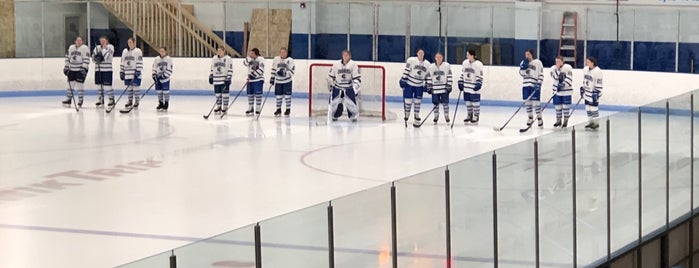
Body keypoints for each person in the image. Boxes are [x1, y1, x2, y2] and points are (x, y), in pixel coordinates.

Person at [327, 50, 361, 122]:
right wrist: (330, 86)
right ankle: (334, 116)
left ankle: (353, 117)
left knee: (351, 105)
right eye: (344, 55)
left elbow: (357, 79)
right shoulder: (336, 64)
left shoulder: (353, 64)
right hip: (337, 87)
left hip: (348, 88)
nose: (345, 57)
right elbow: (330, 77)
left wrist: (354, 89)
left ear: (350, 56)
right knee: (333, 103)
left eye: (347, 55)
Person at [399, 48, 430, 126]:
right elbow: (406, 70)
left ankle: (416, 115)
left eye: (422, 53)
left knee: (418, 101)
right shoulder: (411, 60)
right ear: (417, 53)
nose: (421, 54)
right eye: (419, 53)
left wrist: (428, 84)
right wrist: (403, 79)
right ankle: (407, 114)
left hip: (419, 85)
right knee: (408, 100)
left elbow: (428, 75)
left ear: (424, 54)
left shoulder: (427, 64)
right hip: (410, 84)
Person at [62, 36, 90, 107]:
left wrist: (84, 68)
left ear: (82, 41)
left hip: (80, 69)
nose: (79, 42)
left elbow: (86, 59)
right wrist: (66, 67)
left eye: (80, 40)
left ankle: (80, 100)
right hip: (72, 69)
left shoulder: (85, 48)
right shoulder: (71, 47)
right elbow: (67, 57)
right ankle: (68, 99)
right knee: (70, 85)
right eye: (77, 40)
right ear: (75, 41)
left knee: (80, 85)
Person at [519, 49, 544, 128]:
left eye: (528, 54)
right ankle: (530, 118)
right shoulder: (523, 62)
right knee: (528, 103)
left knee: (536, 103)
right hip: (525, 85)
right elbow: (521, 74)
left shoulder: (538, 62)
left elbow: (541, 74)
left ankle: (539, 119)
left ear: (532, 55)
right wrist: (523, 68)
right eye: (526, 54)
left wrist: (539, 83)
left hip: (534, 85)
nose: (527, 56)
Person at [458, 49, 484, 124]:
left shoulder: (478, 64)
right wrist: (460, 81)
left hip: (474, 87)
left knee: (475, 102)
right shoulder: (465, 63)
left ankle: (476, 116)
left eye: (468, 55)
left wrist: (479, 83)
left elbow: (480, 75)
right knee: (468, 102)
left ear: (472, 56)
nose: (466, 56)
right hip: (466, 86)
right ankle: (469, 115)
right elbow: (463, 73)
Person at [425, 52, 453, 124]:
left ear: (442, 58)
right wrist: (429, 87)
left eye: (440, 57)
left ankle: (446, 116)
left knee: (445, 103)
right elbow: (428, 77)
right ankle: (436, 116)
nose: (439, 59)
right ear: (435, 58)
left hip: (444, 89)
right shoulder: (431, 67)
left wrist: (449, 85)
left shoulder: (447, 66)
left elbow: (449, 76)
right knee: (435, 103)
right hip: (435, 89)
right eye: (437, 57)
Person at [270, 47, 295, 116]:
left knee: (287, 96)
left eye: (284, 52)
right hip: (278, 82)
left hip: (287, 82)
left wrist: (284, 74)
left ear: (286, 53)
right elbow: (274, 69)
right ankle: (278, 109)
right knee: (278, 96)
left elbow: (292, 72)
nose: (282, 54)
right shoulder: (276, 59)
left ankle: (288, 109)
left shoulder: (290, 60)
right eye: (281, 52)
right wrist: (272, 78)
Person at [550, 56, 573, 128]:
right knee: (557, 106)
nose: (557, 63)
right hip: (557, 91)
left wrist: (563, 84)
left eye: (559, 61)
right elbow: (555, 78)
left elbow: (569, 78)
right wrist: (558, 69)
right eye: (556, 61)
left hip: (566, 91)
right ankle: (558, 120)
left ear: (563, 61)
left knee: (565, 106)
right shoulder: (553, 69)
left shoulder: (568, 67)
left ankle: (565, 121)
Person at [119, 37, 143, 108]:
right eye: (128, 42)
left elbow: (140, 61)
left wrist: (138, 71)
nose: (129, 44)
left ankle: (137, 101)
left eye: (131, 42)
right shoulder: (125, 51)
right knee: (129, 88)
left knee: (135, 88)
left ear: (134, 43)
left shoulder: (138, 51)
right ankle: (130, 100)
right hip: (127, 73)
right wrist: (121, 71)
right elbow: (122, 62)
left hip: (135, 73)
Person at [581, 56, 603, 130]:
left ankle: (596, 123)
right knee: (588, 108)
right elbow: (584, 80)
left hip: (593, 93)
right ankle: (590, 122)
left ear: (592, 63)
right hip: (587, 93)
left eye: (588, 62)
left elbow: (599, 83)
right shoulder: (585, 69)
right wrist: (582, 88)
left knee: (594, 108)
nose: (586, 63)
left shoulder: (598, 71)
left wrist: (596, 92)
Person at [92, 36, 115, 107]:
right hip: (98, 70)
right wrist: (96, 58)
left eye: (104, 41)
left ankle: (111, 99)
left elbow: (108, 57)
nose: (102, 42)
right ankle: (100, 99)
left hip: (107, 70)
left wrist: (104, 49)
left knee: (107, 86)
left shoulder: (110, 47)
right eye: (101, 41)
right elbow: (93, 58)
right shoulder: (97, 48)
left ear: (107, 41)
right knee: (99, 85)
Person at [209, 47, 233, 113]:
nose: (219, 52)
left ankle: (225, 107)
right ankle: (218, 106)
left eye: (220, 51)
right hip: (216, 80)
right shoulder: (214, 58)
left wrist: (228, 78)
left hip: (224, 80)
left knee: (225, 94)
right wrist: (211, 75)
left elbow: (230, 69)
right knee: (217, 94)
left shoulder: (228, 59)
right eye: (218, 51)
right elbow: (212, 67)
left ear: (224, 51)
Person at [243, 48, 265, 115]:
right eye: (250, 53)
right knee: (250, 94)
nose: (251, 54)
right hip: (250, 80)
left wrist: (254, 75)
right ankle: (250, 108)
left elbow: (261, 69)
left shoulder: (261, 59)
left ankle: (258, 108)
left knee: (258, 94)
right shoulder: (249, 59)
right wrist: (248, 59)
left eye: (252, 53)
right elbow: (244, 63)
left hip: (258, 79)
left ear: (256, 53)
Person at [152, 46, 173, 111]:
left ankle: (166, 103)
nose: (161, 52)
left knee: (165, 91)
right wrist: (154, 75)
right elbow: (154, 68)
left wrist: (163, 76)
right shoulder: (156, 59)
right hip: (158, 79)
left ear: (166, 52)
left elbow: (170, 69)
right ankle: (161, 103)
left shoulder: (169, 59)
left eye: (163, 51)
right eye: (160, 51)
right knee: (159, 91)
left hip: (165, 79)